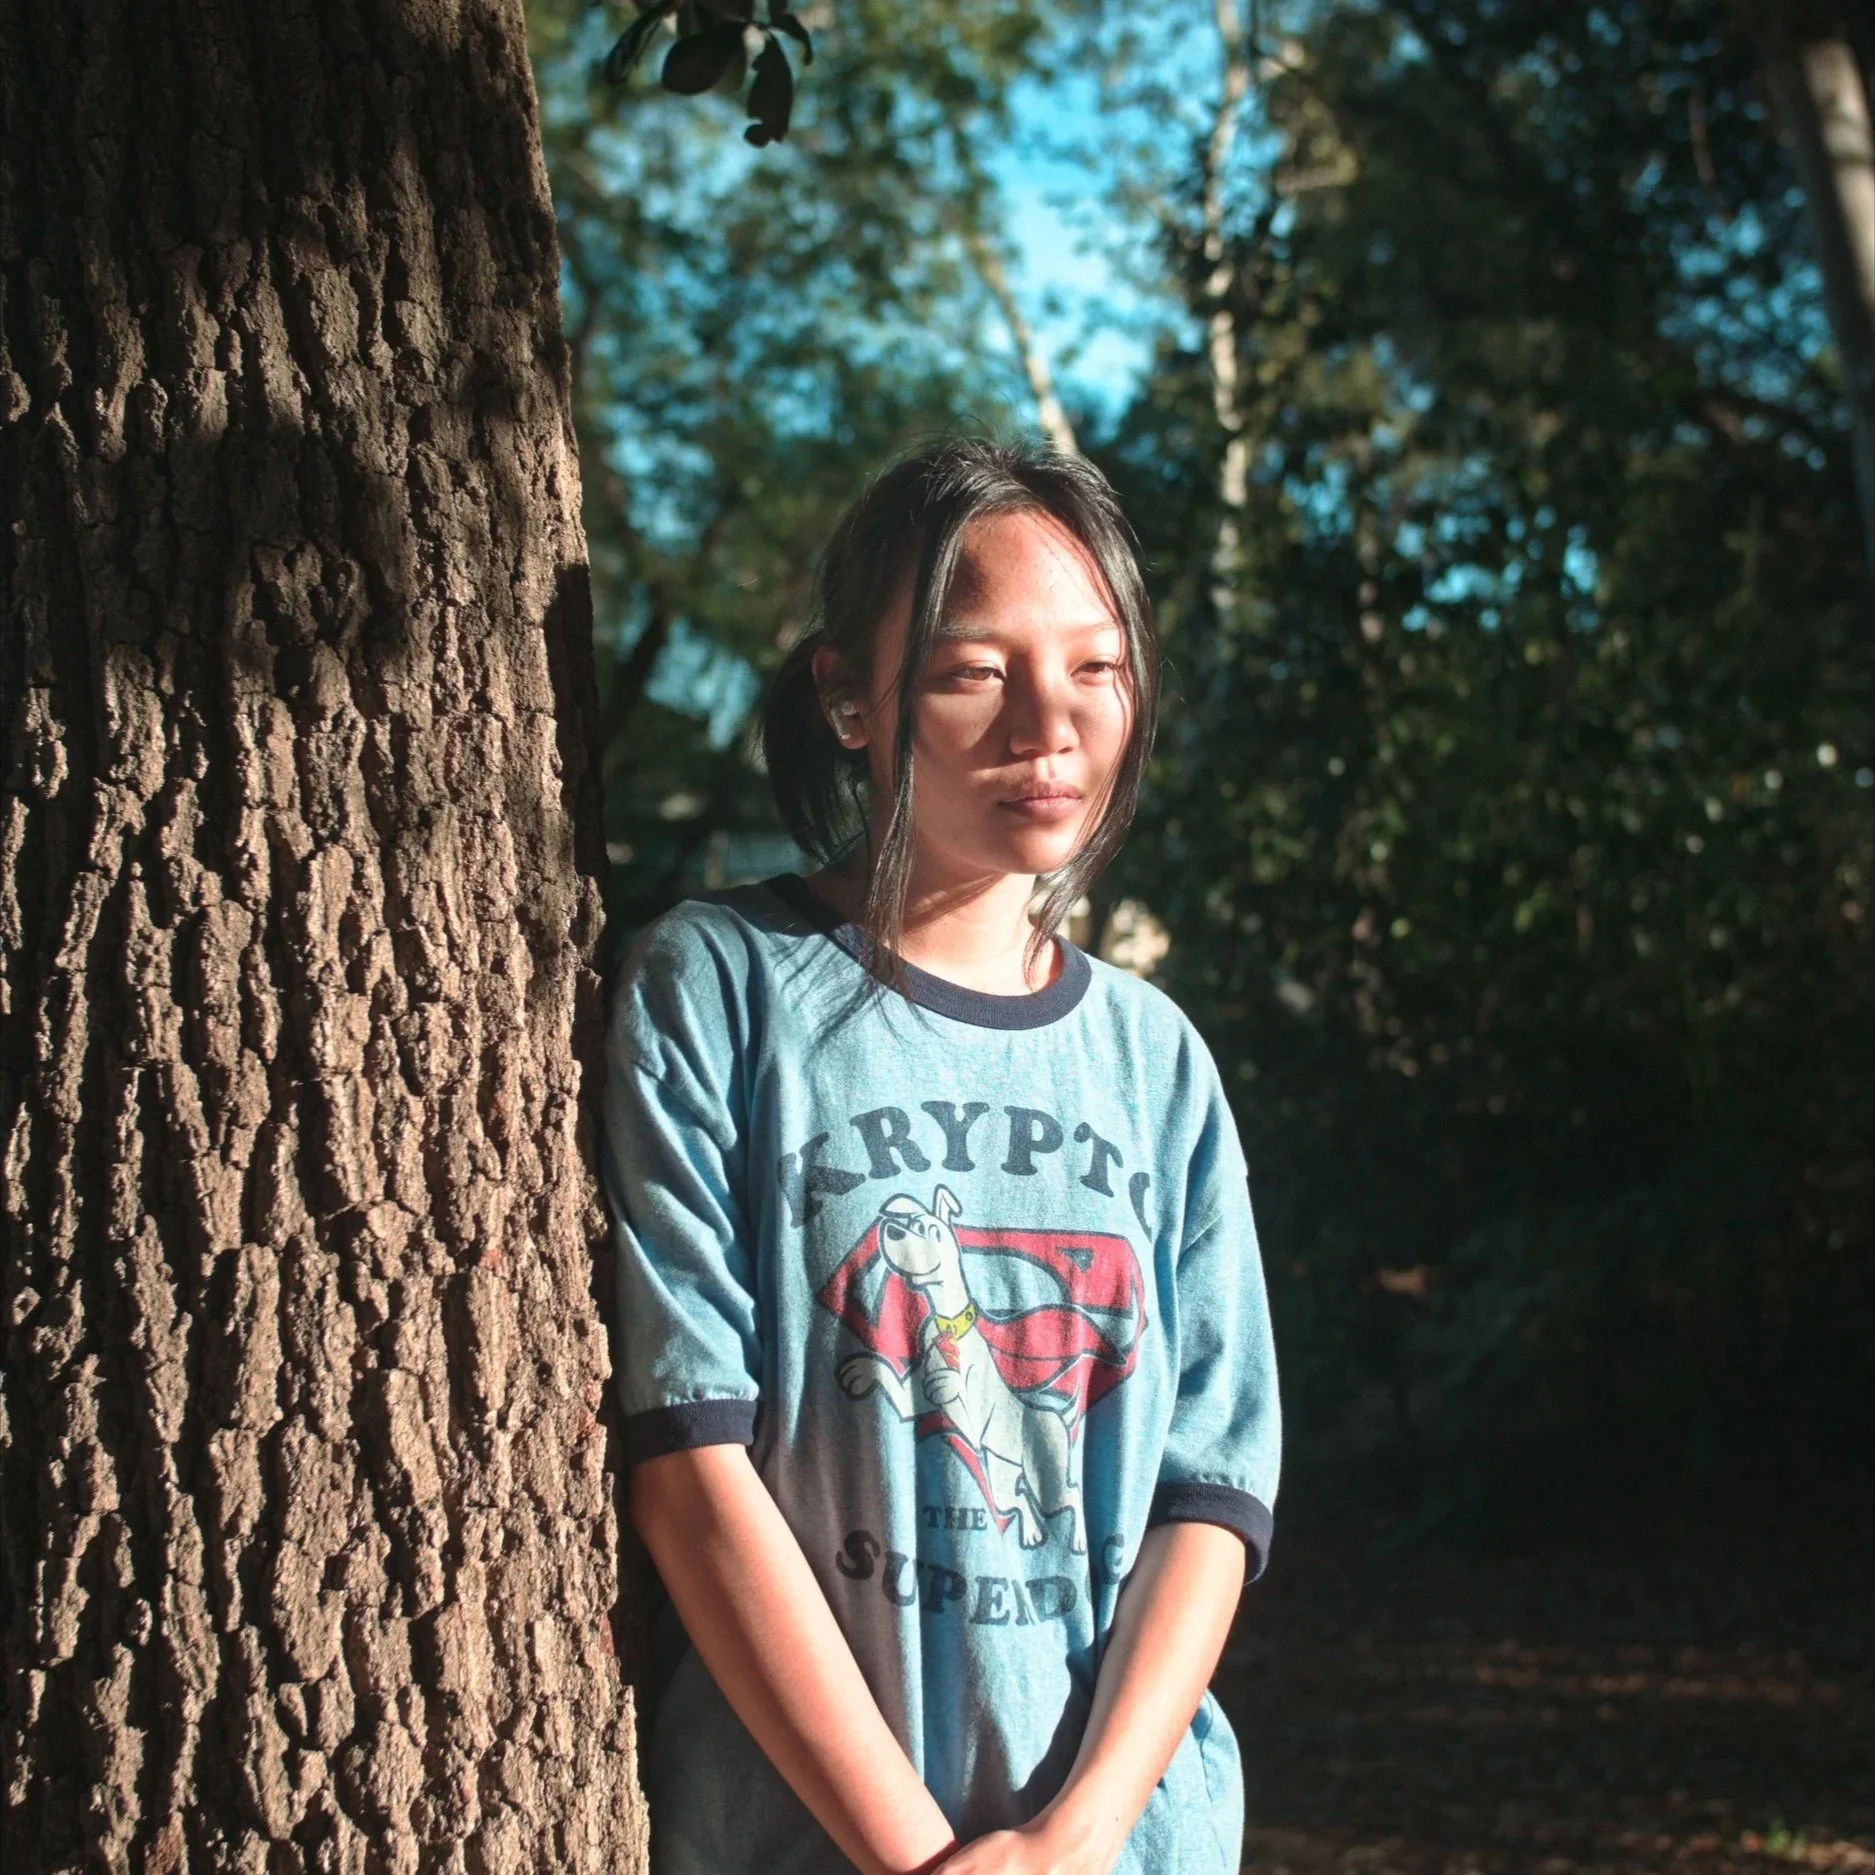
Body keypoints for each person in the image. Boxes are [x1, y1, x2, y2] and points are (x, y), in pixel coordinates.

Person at [599, 435, 1281, 1875]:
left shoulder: (1156, 1061)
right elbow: (686, 1461)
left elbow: (1206, 1504)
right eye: (976, 669)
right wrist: (922, 1859)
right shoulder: (721, 984)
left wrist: (1069, 1843)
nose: (1050, 723)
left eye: (1095, 667)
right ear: (849, 696)